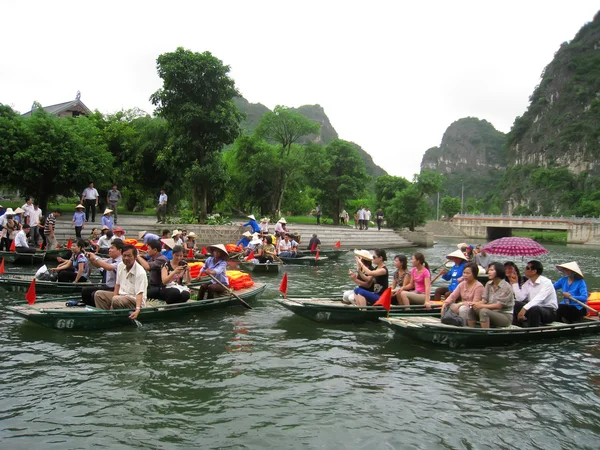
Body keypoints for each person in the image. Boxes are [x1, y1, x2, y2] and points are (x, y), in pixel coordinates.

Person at [95, 244, 148, 319]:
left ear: (135, 257)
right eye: (124, 255)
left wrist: (138, 309)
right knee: (98, 294)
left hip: (134, 300)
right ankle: (104, 317)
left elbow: (140, 293)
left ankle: (116, 317)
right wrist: (112, 301)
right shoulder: (120, 265)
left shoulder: (140, 272)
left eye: (129, 256)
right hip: (120, 297)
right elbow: (117, 285)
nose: (126, 258)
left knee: (116, 299)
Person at [511, 260, 558, 327]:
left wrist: (524, 309)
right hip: (532, 308)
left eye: (527, 268)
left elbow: (539, 299)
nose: (525, 270)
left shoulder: (546, 282)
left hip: (549, 311)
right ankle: (517, 326)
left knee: (535, 309)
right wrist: (514, 283)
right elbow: (520, 298)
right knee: (515, 303)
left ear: (534, 271)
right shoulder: (528, 283)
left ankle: (532, 330)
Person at [470, 262, 515, 328]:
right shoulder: (489, 284)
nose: (488, 272)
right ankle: (472, 329)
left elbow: (499, 306)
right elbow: (484, 300)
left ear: (498, 271)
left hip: (504, 315)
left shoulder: (506, 287)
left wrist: (481, 306)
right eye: (489, 270)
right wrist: (474, 304)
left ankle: (486, 334)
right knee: (471, 309)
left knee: (484, 311)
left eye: (491, 270)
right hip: (491, 311)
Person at [81, 240, 124, 306]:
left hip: (116, 288)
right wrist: (91, 259)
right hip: (108, 286)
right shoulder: (110, 259)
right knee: (85, 291)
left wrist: (95, 258)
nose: (109, 250)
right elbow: (98, 265)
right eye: (109, 248)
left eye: (112, 248)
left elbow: (109, 267)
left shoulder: (121, 261)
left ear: (120, 250)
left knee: (94, 294)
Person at [442, 262, 485, 327]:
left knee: (463, 309)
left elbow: (475, 303)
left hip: (472, 309)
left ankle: (464, 326)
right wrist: (445, 303)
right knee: (448, 306)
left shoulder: (479, 286)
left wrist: (461, 304)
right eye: (464, 273)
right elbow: (453, 296)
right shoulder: (462, 284)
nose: (465, 275)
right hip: (461, 306)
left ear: (474, 274)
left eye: (468, 273)